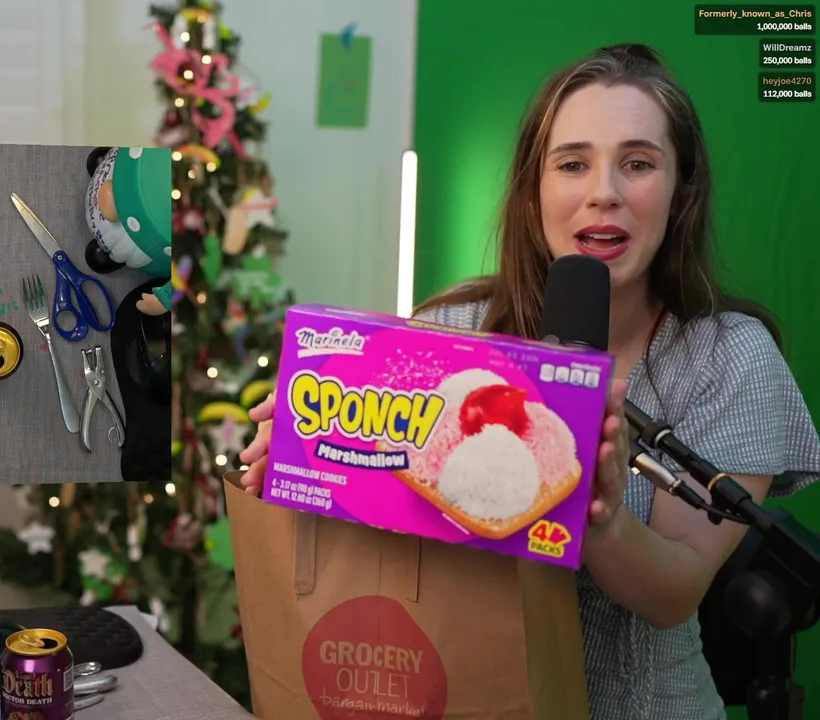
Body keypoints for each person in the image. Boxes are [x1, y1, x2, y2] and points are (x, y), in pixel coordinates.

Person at [237, 44, 820, 720]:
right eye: (572, 164)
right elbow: (390, 532)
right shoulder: (450, 331)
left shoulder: (730, 359)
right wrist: (309, 461)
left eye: (638, 163)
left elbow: (674, 594)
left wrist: (598, 516)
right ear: (533, 188)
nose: (603, 191)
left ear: (681, 190)